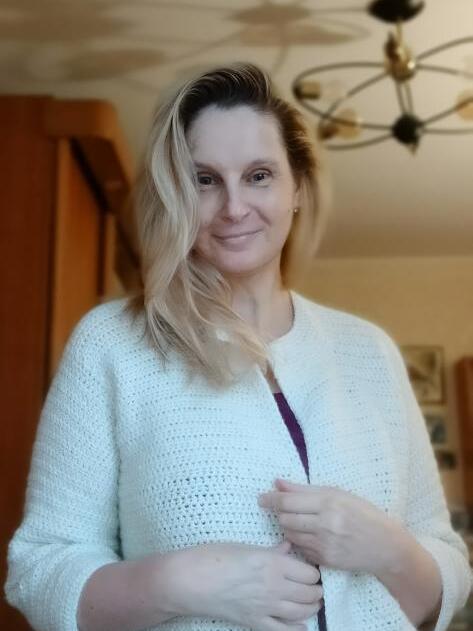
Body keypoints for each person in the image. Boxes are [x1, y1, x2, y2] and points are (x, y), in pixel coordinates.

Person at [4, 62, 472, 631]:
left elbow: (444, 572)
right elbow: (39, 569)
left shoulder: (369, 352)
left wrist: (389, 548)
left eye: (258, 175)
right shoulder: (114, 346)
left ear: (297, 188)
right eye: (204, 180)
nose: (232, 207)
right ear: (176, 194)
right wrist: (182, 582)